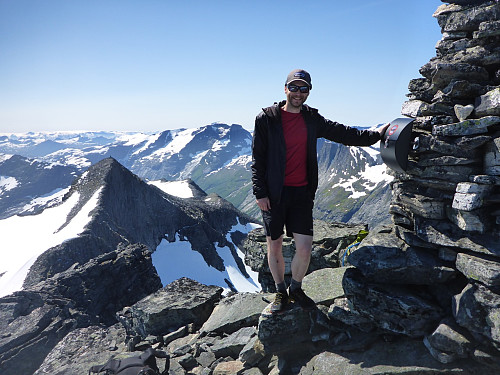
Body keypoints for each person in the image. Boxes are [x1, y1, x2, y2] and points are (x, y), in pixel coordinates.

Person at [251, 69, 389, 313]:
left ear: (309, 92)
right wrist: (260, 193)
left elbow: (343, 133)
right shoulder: (267, 118)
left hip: (301, 193)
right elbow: (258, 159)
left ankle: (296, 288)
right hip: (274, 194)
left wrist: (374, 136)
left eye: (303, 89)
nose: (298, 93)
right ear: (285, 89)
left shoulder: (312, 119)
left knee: (304, 247)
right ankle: (280, 292)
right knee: (275, 245)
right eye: (294, 87)